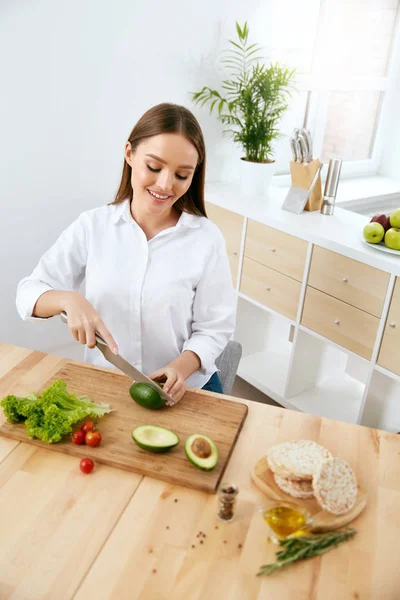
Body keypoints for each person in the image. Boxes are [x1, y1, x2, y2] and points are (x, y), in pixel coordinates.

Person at [16, 103, 236, 405]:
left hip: (187, 392)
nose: (165, 184)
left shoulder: (205, 239)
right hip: (107, 389)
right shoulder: (93, 226)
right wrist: (68, 299)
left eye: (182, 175)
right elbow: (28, 292)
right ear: (130, 154)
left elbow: (214, 328)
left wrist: (180, 368)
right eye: (154, 167)